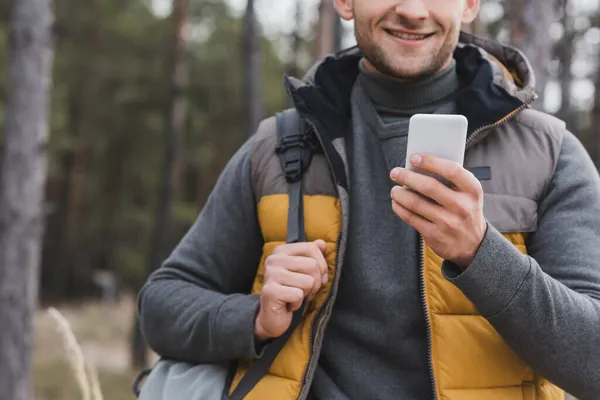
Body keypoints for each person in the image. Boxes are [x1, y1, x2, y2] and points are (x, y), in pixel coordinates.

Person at [136, 0, 600, 399]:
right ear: (343, 1)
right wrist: (254, 316)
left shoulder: (550, 155)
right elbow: (161, 306)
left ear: (471, 3)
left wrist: (481, 252)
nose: (413, 11)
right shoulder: (278, 147)